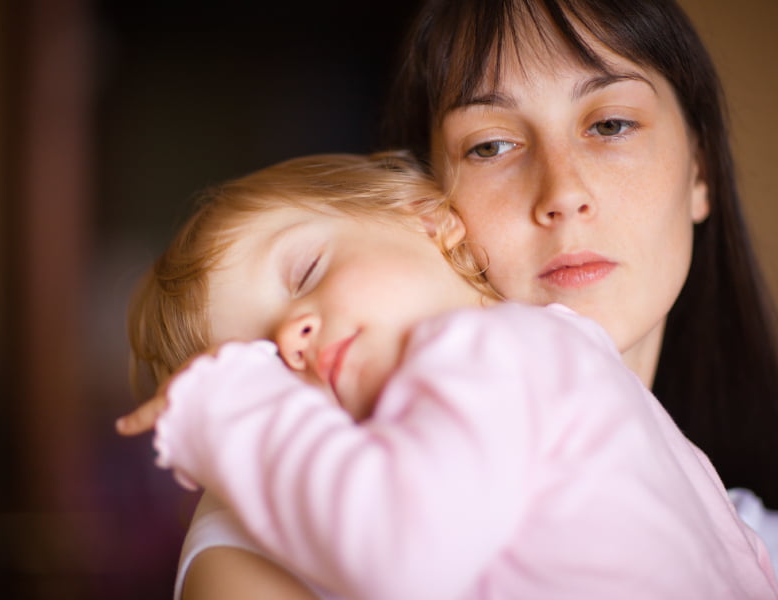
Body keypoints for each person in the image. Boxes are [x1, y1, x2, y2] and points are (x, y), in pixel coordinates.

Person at [122, 0, 778, 596]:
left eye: (608, 124)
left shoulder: (733, 525)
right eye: (490, 145)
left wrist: (227, 406)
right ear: (442, 199)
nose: (562, 192)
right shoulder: (262, 531)